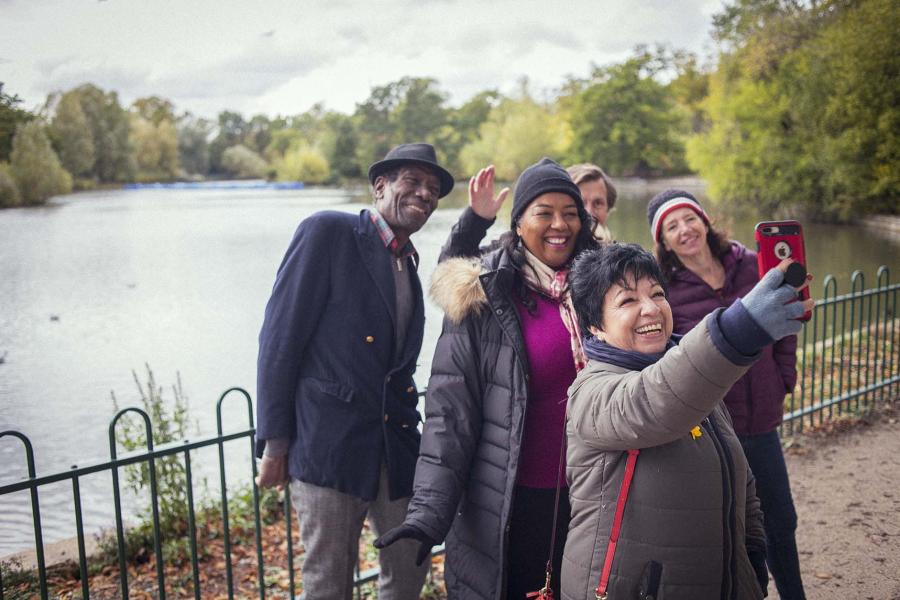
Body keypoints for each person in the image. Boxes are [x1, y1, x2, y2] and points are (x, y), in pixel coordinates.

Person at [375, 158, 599, 599]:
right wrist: (428, 512)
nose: (560, 225)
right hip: (513, 502)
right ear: (518, 224)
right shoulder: (485, 295)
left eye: (570, 213)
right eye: (544, 213)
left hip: (597, 494)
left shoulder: (606, 286)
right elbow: (448, 415)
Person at [254, 143, 455, 600]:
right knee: (328, 582)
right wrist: (275, 443)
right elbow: (279, 341)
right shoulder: (329, 232)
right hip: (330, 445)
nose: (425, 194)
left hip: (395, 445)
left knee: (411, 565)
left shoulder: (409, 260)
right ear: (380, 186)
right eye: (413, 181)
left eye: (433, 189)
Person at [562, 243, 814, 600]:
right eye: (628, 301)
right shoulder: (590, 394)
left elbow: (741, 479)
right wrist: (739, 329)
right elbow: (655, 400)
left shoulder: (695, 381)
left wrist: (751, 554)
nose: (651, 309)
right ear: (594, 326)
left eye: (657, 294)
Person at [647, 189, 807, 599]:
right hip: (716, 427)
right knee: (734, 531)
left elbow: (790, 317)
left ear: (704, 221)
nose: (685, 231)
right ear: (662, 241)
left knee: (780, 521)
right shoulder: (666, 291)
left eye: (689, 219)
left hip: (762, 422)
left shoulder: (753, 265)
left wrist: (783, 376)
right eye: (672, 226)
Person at [567, 163, 617, 242]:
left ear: (608, 209)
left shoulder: (626, 253)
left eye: (597, 203)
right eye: (580, 203)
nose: (589, 213)